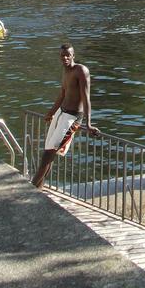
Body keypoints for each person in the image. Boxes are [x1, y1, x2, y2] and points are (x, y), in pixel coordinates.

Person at [32, 44, 100, 189]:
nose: (65, 58)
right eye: (62, 55)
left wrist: (88, 124)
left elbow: (86, 98)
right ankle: (38, 188)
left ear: (73, 55)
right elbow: (63, 94)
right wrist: (51, 112)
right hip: (61, 113)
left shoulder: (81, 71)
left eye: (68, 55)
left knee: (48, 154)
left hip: (72, 117)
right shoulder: (65, 71)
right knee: (48, 151)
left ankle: (31, 188)